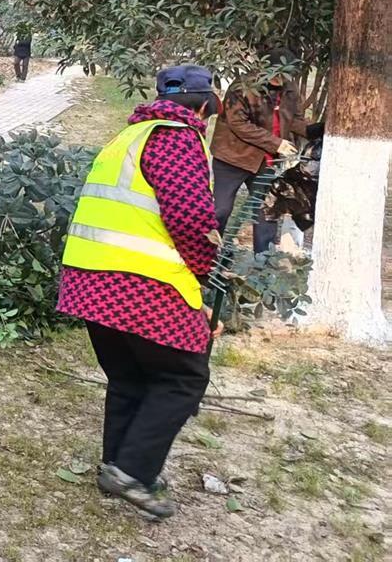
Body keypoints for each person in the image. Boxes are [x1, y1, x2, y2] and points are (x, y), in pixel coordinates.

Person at [57, 64, 222, 520]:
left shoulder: (129, 136)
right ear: (204, 107)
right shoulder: (177, 139)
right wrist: (200, 277)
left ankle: (116, 464)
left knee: (130, 375)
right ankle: (133, 471)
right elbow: (191, 220)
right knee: (183, 377)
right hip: (137, 281)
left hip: (88, 276)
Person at [210, 48, 321, 254]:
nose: (282, 80)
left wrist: (314, 130)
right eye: (278, 74)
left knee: (267, 211)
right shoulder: (243, 87)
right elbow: (238, 123)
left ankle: (263, 259)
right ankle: (207, 254)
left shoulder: (290, 89)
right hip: (233, 158)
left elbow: (294, 120)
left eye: (287, 74)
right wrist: (276, 143)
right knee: (221, 209)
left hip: (266, 161)